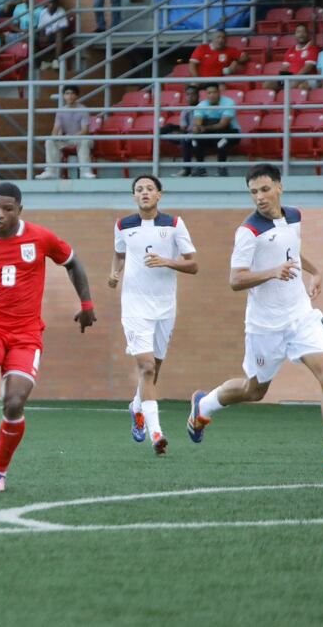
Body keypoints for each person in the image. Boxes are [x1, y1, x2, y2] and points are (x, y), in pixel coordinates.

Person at [187, 164, 323, 478]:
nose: (259, 197)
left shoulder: (294, 216)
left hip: (301, 316)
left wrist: (314, 271)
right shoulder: (248, 232)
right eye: (253, 192)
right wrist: (272, 272)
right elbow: (236, 280)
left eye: (264, 189)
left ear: (279, 187)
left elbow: (291, 249)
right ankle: (204, 405)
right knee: (254, 391)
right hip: (265, 326)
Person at [0, 182, 96, 491]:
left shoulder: (40, 237)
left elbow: (73, 262)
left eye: (7, 209)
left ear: (19, 210)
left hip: (26, 334)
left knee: (14, 402)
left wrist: (87, 304)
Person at [108, 175, 197, 454]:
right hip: (134, 307)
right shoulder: (123, 225)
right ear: (134, 196)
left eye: (149, 189)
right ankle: (156, 433)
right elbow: (119, 254)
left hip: (164, 307)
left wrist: (166, 261)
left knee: (154, 370)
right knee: (145, 367)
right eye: (138, 189)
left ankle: (136, 407)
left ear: (159, 194)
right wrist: (114, 272)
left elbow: (193, 264)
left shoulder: (174, 224)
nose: (144, 193)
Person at [36, 85, 96, 179]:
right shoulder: (60, 111)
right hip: (67, 139)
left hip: (80, 138)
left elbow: (85, 131)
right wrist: (54, 138)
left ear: (76, 96)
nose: (70, 96)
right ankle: (51, 171)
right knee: (49, 141)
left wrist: (72, 137)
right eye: (67, 93)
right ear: (64, 96)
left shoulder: (83, 110)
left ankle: (85, 172)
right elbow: (56, 129)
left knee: (85, 141)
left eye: (72, 93)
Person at [190, 81, 240, 177]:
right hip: (210, 132)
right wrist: (198, 128)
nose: (212, 95)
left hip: (230, 132)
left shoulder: (229, 102)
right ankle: (200, 168)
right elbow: (198, 123)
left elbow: (223, 124)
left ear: (219, 93)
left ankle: (222, 169)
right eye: (209, 93)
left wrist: (204, 128)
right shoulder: (201, 105)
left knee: (222, 141)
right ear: (206, 94)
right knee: (195, 140)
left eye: (214, 92)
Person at [159, 83, 200, 176]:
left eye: (193, 94)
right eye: (188, 94)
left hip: (199, 133)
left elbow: (196, 126)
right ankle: (153, 137)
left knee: (185, 139)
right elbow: (183, 127)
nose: (190, 97)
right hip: (188, 132)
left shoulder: (201, 107)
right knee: (168, 128)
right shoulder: (185, 110)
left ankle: (186, 169)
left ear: (198, 96)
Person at [278, 23, 319, 89]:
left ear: (308, 34)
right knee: (268, 84)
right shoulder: (290, 50)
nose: (301, 34)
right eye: (298, 32)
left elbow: (307, 68)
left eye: (303, 32)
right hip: (291, 78)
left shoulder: (313, 48)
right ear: (295, 35)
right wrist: (282, 82)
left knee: (299, 86)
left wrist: (295, 80)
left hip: (306, 78)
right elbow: (285, 68)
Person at [36, 0, 68, 70]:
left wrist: (49, 35)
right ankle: (39, 63)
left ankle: (56, 60)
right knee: (32, 38)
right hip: (46, 35)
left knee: (59, 34)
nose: (50, 4)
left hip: (57, 35)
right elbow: (41, 28)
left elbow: (63, 28)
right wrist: (42, 36)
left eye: (53, 2)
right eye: (49, 2)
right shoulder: (43, 12)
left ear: (56, 3)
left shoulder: (61, 11)